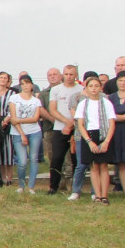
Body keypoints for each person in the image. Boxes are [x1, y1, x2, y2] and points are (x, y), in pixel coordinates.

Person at [74, 75, 116, 205]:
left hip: (104, 134)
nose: (93, 89)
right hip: (89, 135)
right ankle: (97, 195)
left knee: (103, 166)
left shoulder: (106, 103)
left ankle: (104, 195)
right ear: (86, 88)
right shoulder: (83, 104)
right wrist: (89, 141)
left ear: (100, 88)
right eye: (91, 86)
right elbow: (80, 124)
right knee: (93, 166)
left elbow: (112, 123)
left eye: (96, 86)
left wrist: (106, 142)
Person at [48, 65, 83, 195]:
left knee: (76, 159)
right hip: (59, 128)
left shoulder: (82, 89)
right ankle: (53, 187)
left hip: (77, 128)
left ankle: (76, 188)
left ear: (76, 75)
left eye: (71, 74)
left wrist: (73, 124)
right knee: (57, 158)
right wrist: (66, 121)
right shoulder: (56, 90)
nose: (69, 77)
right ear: (63, 75)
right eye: (66, 74)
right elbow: (52, 109)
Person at [7, 75, 43, 194]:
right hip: (18, 132)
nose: (25, 86)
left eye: (27, 83)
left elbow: (35, 118)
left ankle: (31, 186)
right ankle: (21, 185)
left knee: (33, 158)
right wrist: (22, 133)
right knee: (22, 161)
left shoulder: (36, 101)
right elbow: (13, 118)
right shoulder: (14, 98)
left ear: (31, 85)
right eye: (23, 84)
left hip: (34, 132)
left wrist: (20, 120)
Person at [0, 71, 16, 186]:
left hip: (8, 123)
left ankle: (9, 178)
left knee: (8, 151)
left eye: (5, 78)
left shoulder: (12, 94)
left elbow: (14, 109)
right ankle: (2, 178)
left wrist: (6, 121)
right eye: (1, 77)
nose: (3, 80)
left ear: (8, 80)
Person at [109, 72, 125, 191]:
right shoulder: (111, 97)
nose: (123, 83)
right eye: (120, 80)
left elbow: (113, 116)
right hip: (117, 133)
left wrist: (117, 117)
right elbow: (108, 115)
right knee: (121, 163)